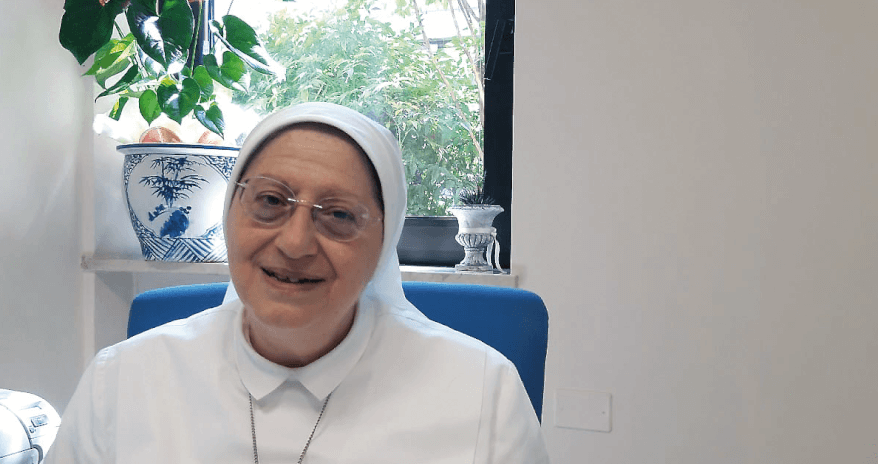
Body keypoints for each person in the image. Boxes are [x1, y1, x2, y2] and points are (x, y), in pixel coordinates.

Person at [46, 102, 550, 463]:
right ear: (229, 211)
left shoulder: (483, 394)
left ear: (383, 243)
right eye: (270, 201)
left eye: (339, 215)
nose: (295, 243)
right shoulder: (122, 383)